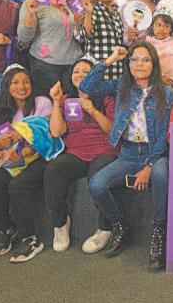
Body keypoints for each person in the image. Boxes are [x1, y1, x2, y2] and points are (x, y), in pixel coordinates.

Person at [79, 41, 173, 271]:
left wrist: (149, 166)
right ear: (128, 63)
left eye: (145, 59)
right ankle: (119, 225)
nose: (139, 64)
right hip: (129, 152)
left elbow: (164, 135)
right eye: (134, 59)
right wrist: (110, 60)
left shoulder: (167, 93)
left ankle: (159, 231)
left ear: (154, 64)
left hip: (155, 152)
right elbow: (86, 87)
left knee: (161, 173)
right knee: (97, 184)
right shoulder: (122, 85)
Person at [0, 63, 53, 260]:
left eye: (26, 82)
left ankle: (30, 237)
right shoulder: (1, 111)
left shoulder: (42, 102)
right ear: (7, 86)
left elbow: (47, 131)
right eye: (15, 82)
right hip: (13, 160)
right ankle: (6, 229)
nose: (21, 87)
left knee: (18, 186)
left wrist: (24, 135)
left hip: (40, 157)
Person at [45, 56, 117, 254]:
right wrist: (56, 102)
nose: (80, 75)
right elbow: (57, 131)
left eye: (86, 72)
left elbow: (113, 131)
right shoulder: (67, 99)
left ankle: (105, 228)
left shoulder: (107, 97)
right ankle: (60, 225)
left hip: (104, 152)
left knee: (98, 174)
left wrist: (93, 110)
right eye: (76, 71)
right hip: (76, 153)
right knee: (54, 169)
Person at [18, 0, 83, 97]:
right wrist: (30, 15)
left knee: (70, 106)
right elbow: (24, 38)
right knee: (47, 105)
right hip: (45, 64)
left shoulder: (68, 2)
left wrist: (79, 22)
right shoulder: (32, 3)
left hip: (72, 64)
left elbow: (79, 33)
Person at [74, 0, 125, 80]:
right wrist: (89, 12)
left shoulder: (117, 13)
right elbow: (86, 35)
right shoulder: (92, 9)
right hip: (97, 73)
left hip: (117, 72)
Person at [146, 13, 173, 92]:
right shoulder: (147, 42)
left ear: (170, 29)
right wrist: (158, 79)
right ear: (152, 27)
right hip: (153, 86)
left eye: (166, 26)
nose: (162, 29)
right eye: (158, 25)